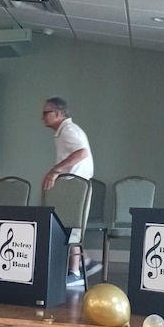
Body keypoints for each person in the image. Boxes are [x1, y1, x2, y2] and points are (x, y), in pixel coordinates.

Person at [40, 96, 99, 286]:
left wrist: (55, 171)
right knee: (68, 227)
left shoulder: (69, 130)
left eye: (46, 113)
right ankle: (86, 262)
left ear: (58, 113)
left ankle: (75, 272)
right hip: (72, 185)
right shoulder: (65, 131)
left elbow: (81, 153)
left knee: (71, 227)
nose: (42, 117)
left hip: (75, 186)